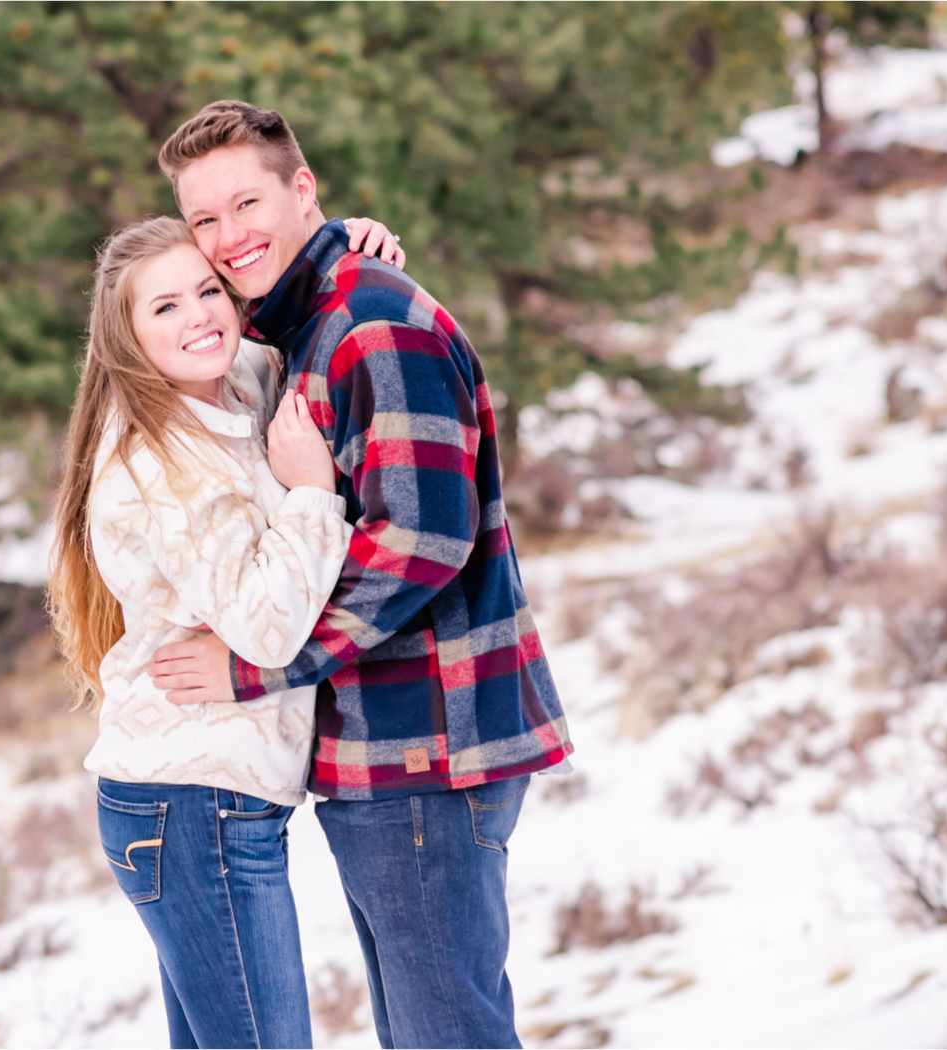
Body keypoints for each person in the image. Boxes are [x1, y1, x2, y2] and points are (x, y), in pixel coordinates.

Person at [146, 100, 574, 1050]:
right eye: (204, 220)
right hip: (391, 750)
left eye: (247, 203)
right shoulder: (309, 318)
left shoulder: (369, 323)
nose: (227, 238)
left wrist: (254, 669)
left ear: (302, 189)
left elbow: (421, 541)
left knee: (446, 1035)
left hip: (425, 743)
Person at [47, 213, 404, 1049]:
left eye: (207, 291)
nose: (199, 316)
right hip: (193, 807)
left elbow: (279, 310)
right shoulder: (161, 465)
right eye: (164, 308)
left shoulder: (230, 382)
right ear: (128, 339)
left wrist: (340, 242)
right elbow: (269, 631)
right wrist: (314, 494)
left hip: (206, 805)